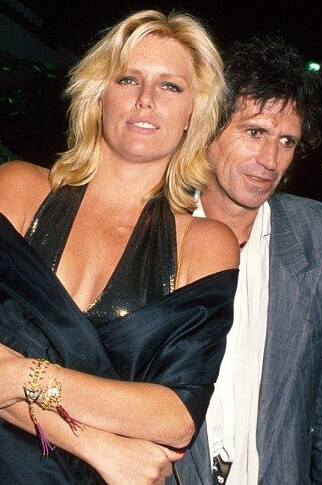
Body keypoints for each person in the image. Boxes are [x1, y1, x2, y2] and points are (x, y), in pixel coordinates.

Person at [0, 10, 239, 484]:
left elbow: (175, 416)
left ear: (194, 114)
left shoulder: (204, 244)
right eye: (128, 79)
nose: (146, 98)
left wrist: (19, 375)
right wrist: (100, 446)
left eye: (170, 86)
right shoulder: (17, 189)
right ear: (98, 95)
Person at [172, 34, 322, 485]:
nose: (270, 160)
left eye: (287, 141)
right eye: (254, 132)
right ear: (209, 128)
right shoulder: (153, 227)